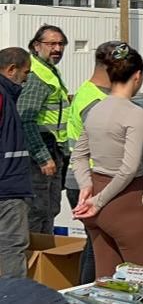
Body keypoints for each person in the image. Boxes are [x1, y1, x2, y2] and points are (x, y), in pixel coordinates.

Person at [70, 43, 143, 277]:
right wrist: (98, 201)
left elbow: (78, 156)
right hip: (126, 202)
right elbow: (129, 168)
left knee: (106, 280)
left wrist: (86, 187)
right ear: (137, 76)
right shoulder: (134, 112)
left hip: (97, 191)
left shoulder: (96, 109)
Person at [64, 41, 119, 285]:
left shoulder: (97, 94)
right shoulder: (94, 101)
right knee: (99, 247)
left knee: (97, 245)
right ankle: (86, 293)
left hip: (89, 178)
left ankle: (85, 291)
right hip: (91, 180)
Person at [17, 25, 70, 234]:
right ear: (36, 46)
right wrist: (42, 157)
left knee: (50, 208)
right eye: (51, 44)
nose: (57, 48)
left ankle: (44, 251)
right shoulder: (36, 76)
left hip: (53, 149)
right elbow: (25, 119)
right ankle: (34, 253)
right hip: (40, 152)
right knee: (38, 211)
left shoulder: (48, 71)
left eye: (61, 44)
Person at [0, 47, 33, 279]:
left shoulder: (7, 96)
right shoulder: (3, 96)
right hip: (7, 187)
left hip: (8, 183)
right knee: (12, 247)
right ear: (12, 69)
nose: (26, 79)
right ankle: (14, 295)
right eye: (25, 72)